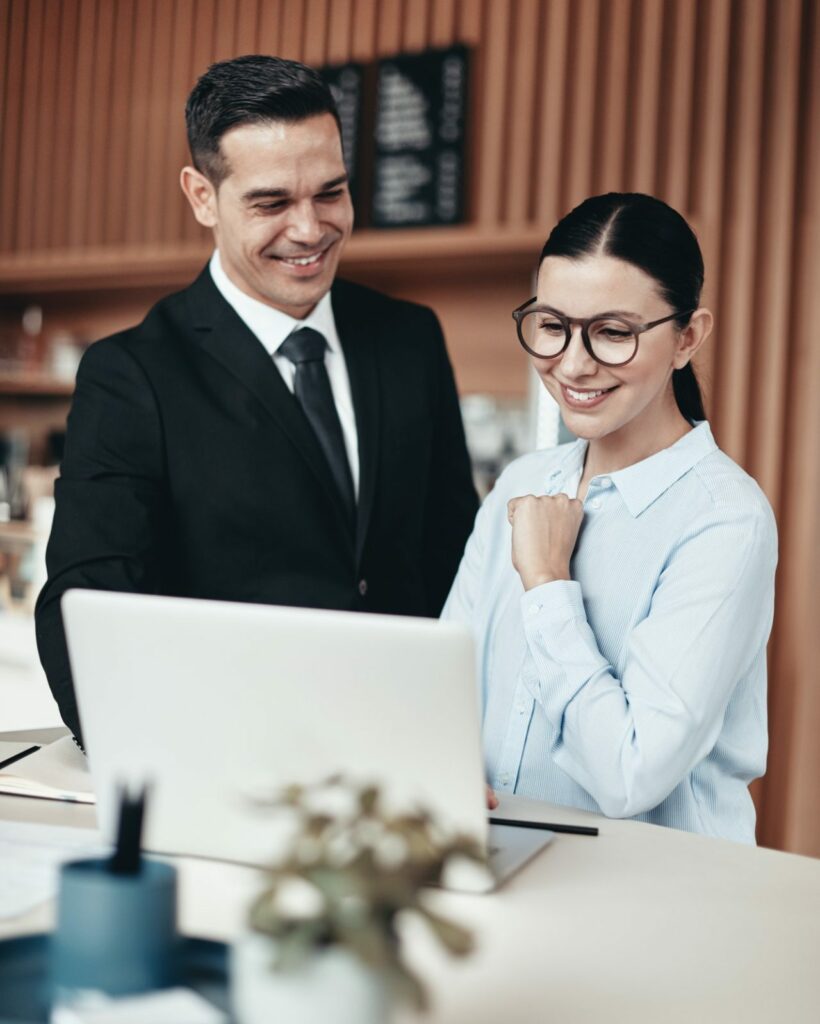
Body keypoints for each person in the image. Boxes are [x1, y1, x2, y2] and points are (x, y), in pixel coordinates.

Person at [36, 55, 478, 746]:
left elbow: (456, 556)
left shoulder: (409, 337)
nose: (310, 230)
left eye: (330, 192)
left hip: (410, 752)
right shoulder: (132, 374)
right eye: (272, 203)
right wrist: (167, 761)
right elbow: (83, 605)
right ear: (202, 196)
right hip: (233, 759)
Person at [444, 193, 777, 843]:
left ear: (688, 337)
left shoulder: (725, 522)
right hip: (492, 870)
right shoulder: (520, 483)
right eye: (551, 325)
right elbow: (442, 685)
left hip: (652, 903)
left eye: (613, 332)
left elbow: (630, 774)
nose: (572, 363)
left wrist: (547, 585)